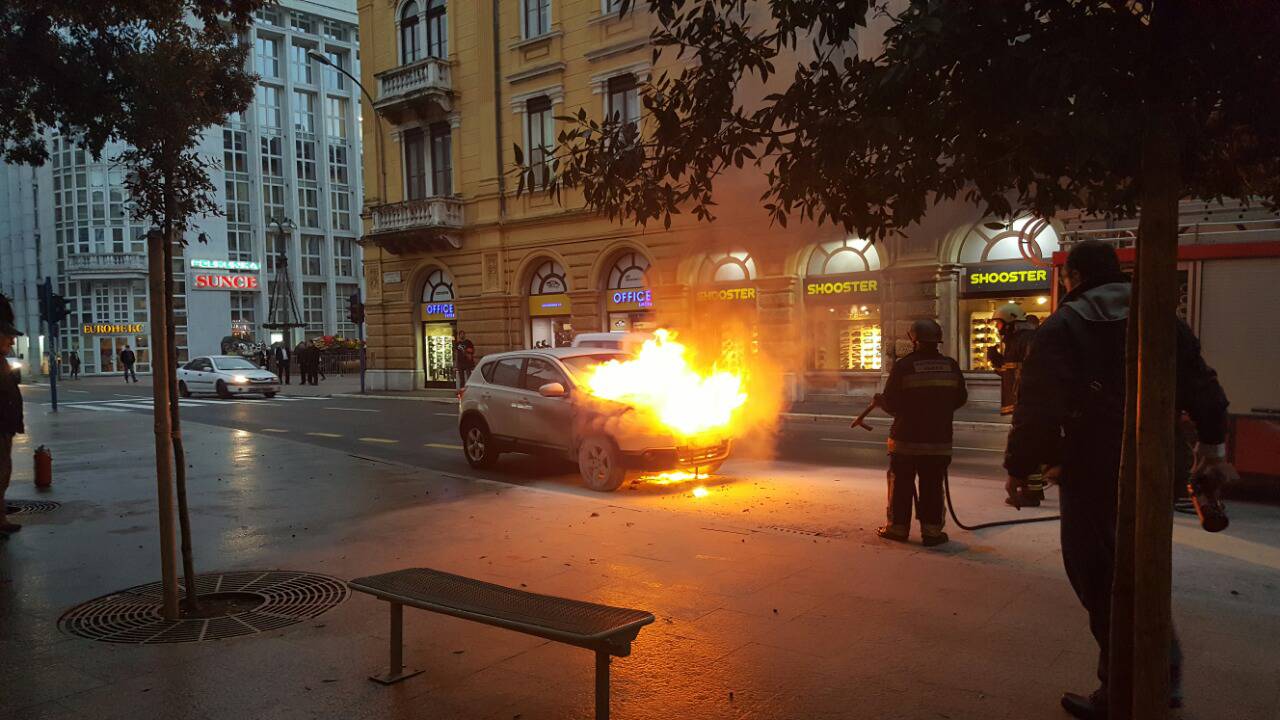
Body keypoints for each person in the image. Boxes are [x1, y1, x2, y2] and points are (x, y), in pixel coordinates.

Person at [1004, 240, 1234, 719]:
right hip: (1160, 465)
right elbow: (1206, 392)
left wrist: (1021, 468)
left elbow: (1037, 407)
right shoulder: (1162, 320)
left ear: (1076, 277)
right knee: (1141, 569)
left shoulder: (1063, 325)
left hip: (1092, 467)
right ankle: (1159, 680)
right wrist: (1210, 450)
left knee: (1097, 573)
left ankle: (1125, 689)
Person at [874, 319, 968, 547]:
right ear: (938, 341)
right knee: (932, 486)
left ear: (913, 340)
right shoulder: (951, 365)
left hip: (905, 440)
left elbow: (893, 404)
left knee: (901, 485)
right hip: (939, 440)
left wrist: (880, 402)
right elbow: (960, 398)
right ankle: (932, 532)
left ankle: (897, 529)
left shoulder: (904, 366)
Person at [987, 301, 1043, 506]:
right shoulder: (1017, 341)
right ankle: (1032, 489)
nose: (997, 329)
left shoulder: (1024, 340)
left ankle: (1030, 492)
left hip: (1029, 403)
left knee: (1026, 444)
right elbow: (1011, 374)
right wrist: (997, 361)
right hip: (1026, 402)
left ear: (1011, 323)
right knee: (1031, 445)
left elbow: (1026, 375)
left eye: (999, 325)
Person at [0, 294, 24, 537]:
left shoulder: (2, 361)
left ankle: (1, 518)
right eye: (8, 337)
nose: (12, 342)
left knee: (3, 472)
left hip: (5, 427)